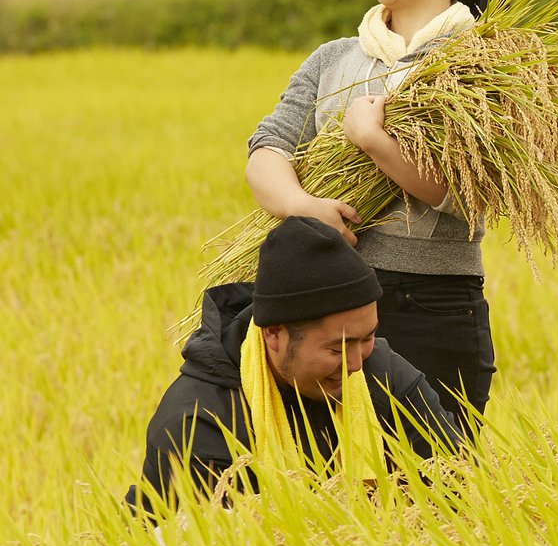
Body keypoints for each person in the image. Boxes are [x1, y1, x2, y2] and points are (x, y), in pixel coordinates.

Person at [246, 0, 506, 430]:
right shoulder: (334, 58)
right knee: (323, 492)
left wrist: (374, 141)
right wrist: (300, 206)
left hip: (431, 304)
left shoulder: (482, 63)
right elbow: (268, 147)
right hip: (320, 303)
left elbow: (470, 197)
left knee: (436, 490)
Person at [128, 217, 463, 515]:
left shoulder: (383, 373)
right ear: (274, 333)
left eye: (367, 338)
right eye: (337, 348)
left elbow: (460, 489)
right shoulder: (200, 423)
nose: (356, 364)